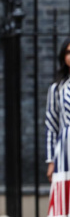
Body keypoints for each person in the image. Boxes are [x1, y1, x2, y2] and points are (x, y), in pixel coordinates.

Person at [45, 37, 70, 216]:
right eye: (68, 52)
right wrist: (51, 161)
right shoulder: (57, 88)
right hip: (65, 152)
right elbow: (51, 125)